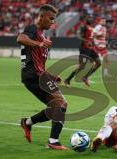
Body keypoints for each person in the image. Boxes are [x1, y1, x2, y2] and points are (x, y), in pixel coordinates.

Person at [17, 4, 69, 150]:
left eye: (54, 19)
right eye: (51, 18)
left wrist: (52, 76)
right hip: (32, 75)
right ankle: (53, 141)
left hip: (39, 75)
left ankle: (27, 122)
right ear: (42, 16)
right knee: (61, 103)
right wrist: (39, 44)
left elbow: (40, 65)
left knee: (56, 107)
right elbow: (20, 39)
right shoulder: (33, 29)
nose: (53, 22)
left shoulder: (42, 36)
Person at [64, 15, 101, 87]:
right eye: (88, 18)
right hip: (84, 49)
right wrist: (87, 41)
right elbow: (78, 36)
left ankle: (85, 77)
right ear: (86, 19)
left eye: (91, 18)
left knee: (98, 63)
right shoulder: (83, 26)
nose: (90, 19)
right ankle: (67, 80)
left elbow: (92, 38)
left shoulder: (92, 28)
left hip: (91, 48)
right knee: (82, 66)